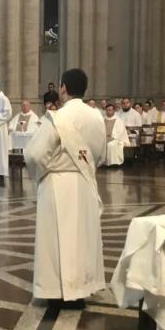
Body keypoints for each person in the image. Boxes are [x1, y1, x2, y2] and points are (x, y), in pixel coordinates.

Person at [24, 68, 106, 308]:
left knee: (56, 239)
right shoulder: (96, 117)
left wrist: (43, 173)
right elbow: (100, 153)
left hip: (57, 184)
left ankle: (56, 292)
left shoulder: (57, 117)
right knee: (82, 238)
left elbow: (35, 153)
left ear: (63, 88)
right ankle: (80, 289)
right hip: (84, 182)